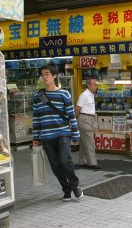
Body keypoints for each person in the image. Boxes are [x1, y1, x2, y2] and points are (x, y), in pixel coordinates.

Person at [32, 64, 83, 202]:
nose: (44, 77)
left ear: (54, 75)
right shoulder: (38, 96)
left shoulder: (64, 94)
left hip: (62, 133)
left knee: (65, 161)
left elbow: (71, 116)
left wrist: (76, 134)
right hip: (47, 136)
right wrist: (35, 137)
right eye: (42, 74)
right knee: (55, 166)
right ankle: (66, 189)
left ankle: (75, 186)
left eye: (47, 74)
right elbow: (36, 118)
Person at [76, 78, 101, 170]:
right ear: (88, 85)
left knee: (84, 142)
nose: (96, 86)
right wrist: (75, 119)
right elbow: (78, 107)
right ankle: (92, 163)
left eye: (96, 84)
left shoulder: (91, 95)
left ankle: (82, 161)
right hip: (84, 118)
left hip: (89, 118)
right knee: (90, 141)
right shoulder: (84, 95)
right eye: (94, 84)